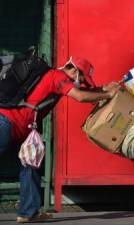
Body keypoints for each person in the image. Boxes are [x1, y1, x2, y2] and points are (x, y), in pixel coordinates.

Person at [0, 56, 120, 223]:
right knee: (31, 164)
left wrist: (102, 90)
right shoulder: (58, 76)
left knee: (32, 163)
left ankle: (29, 212)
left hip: (19, 128)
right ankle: (29, 211)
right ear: (75, 71)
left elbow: (82, 93)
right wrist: (107, 94)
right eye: (83, 80)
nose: (81, 83)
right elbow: (80, 96)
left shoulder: (58, 78)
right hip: (6, 123)